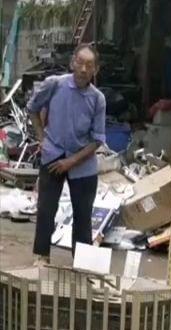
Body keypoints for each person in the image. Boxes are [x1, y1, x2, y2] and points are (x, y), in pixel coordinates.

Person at [27, 44, 106, 265]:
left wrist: (71, 162)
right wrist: (42, 139)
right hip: (53, 155)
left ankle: (81, 263)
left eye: (89, 65)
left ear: (95, 69)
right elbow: (32, 109)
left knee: (83, 215)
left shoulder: (97, 99)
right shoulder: (54, 84)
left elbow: (97, 139)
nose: (83, 69)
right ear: (72, 63)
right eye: (80, 63)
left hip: (82, 162)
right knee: (46, 209)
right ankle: (42, 256)